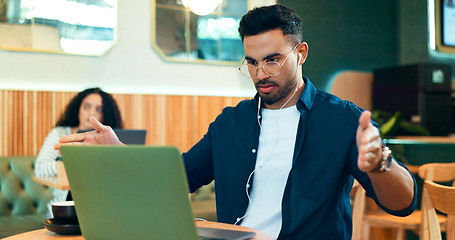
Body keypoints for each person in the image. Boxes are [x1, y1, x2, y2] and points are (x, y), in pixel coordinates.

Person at [55, 4, 417, 239]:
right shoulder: (232, 123)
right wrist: (119, 153)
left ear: (300, 53)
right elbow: (176, 178)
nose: (261, 73)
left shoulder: (342, 120)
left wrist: (381, 163)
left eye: (273, 59)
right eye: (252, 62)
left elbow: (403, 204)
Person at [35, 87, 123, 217]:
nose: (91, 113)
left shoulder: (110, 138)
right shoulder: (60, 133)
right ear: (78, 109)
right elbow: (40, 168)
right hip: (65, 208)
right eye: (86, 107)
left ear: (106, 115)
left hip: (104, 207)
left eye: (99, 109)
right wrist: (72, 165)